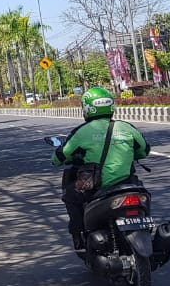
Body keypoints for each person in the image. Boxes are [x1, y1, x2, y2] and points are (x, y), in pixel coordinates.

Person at [50, 87, 149, 250]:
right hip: (127, 183)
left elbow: (60, 157)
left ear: (87, 108)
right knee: (143, 194)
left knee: (70, 196)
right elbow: (144, 151)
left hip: (96, 187)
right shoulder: (127, 127)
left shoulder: (82, 132)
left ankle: (78, 236)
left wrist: (58, 159)